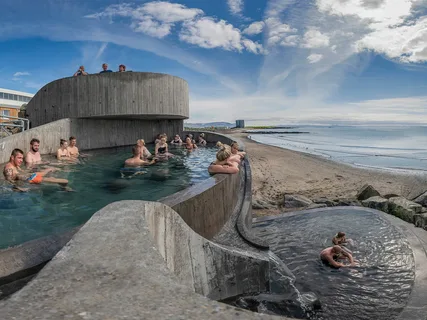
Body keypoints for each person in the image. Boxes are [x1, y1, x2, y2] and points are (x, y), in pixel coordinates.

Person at [3, 148, 69, 191]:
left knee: (51, 175)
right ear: (12, 157)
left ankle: (64, 188)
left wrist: (30, 171)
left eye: (22, 158)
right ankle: (64, 187)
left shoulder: (15, 165)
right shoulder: (8, 168)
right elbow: (9, 181)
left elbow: (22, 172)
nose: (21, 160)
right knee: (64, 181)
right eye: (19, 158)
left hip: (30, 177)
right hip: (29, 180)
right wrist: (19, 189)